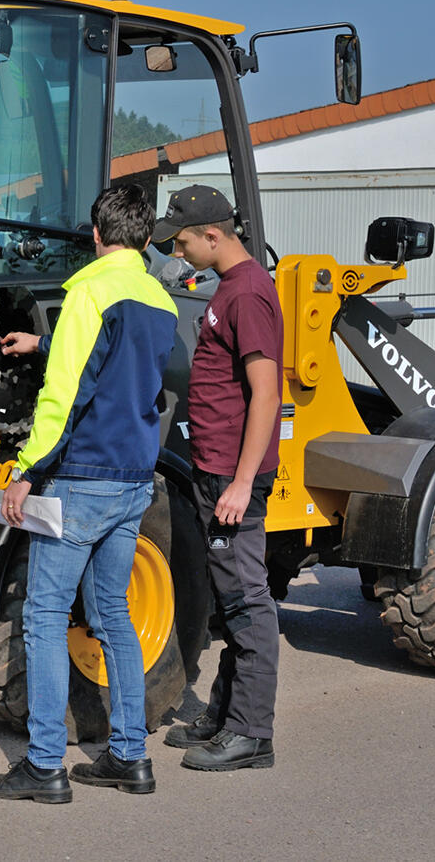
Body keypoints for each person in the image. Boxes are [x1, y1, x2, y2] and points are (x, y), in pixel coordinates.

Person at [0, 184, 178, 804]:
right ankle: (130, 757)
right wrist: (44, 342)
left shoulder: (88, 292)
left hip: (81, 479)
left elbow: (64, 395)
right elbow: (120, 369)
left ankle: (44, 765)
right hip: (133, 478)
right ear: (145, 238)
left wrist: (27, 470)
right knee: (113, 614)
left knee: (43, 615)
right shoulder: (159, 299)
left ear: (95, 234)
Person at [151, 184, 283, 772]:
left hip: (233, 477)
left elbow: (266, 395)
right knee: (228, 599)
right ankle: (226, 713)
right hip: (214, 469)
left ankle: (252, 734)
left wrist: (241, 481)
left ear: (212, 234)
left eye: (182, 243)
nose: (178, 254)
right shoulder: (226, 286)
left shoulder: (248, 292)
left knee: (246, 599)